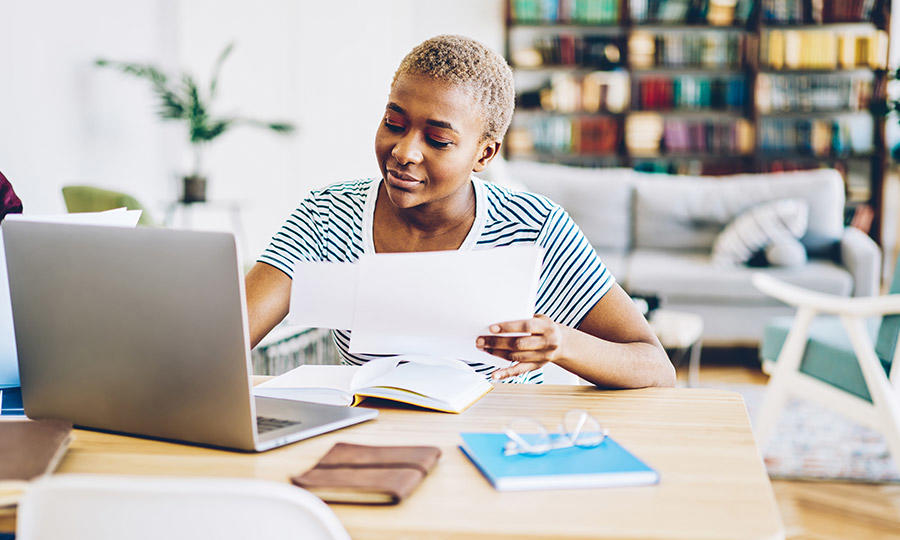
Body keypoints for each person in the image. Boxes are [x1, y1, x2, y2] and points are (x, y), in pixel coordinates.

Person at [245, 35, 674, 388]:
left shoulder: (534, 227)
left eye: (438, 139)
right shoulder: (327, 215)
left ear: (484, 154)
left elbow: (655, 367)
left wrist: (560, 343)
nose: (404, 151)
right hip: (369, 442)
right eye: (394, 123)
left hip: (494, 445)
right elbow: (226, 340)